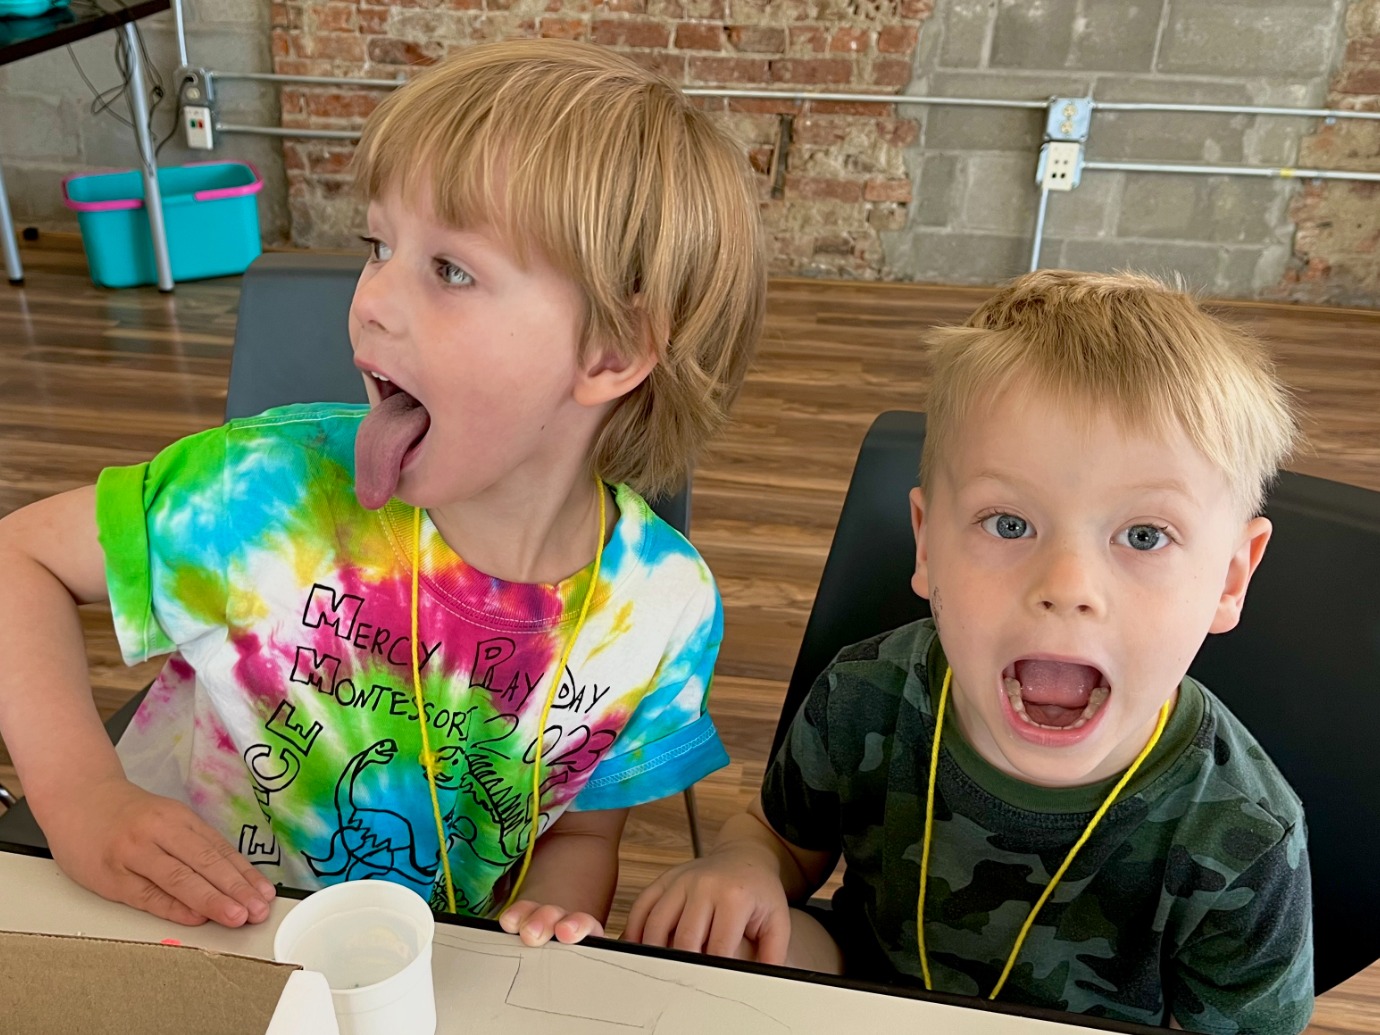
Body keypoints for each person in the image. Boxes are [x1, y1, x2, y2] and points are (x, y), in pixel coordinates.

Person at [0, 39, 765, 949]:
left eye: (451, 269)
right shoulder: (263, 493)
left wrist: (552, 914)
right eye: (379, 246)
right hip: (184, 932)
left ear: (611, 351)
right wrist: (84, 798)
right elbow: (19, 559)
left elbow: (582, 829)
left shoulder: (662, 608)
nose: (369, 300)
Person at [627, 270, 1313, 1033]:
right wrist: (741, 868)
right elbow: (777, 843)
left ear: (1229, 578)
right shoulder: (864, 697)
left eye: (1145, 535)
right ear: (926, 544)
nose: (1067, 586)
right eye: (1010, 523)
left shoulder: (1245, 837)